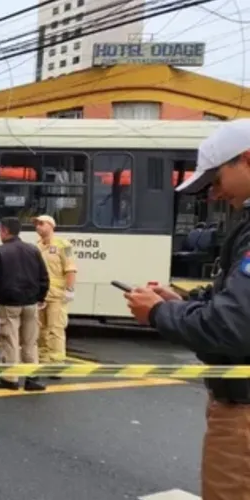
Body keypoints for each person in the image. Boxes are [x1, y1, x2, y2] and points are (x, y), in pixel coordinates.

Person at [124, 119, 250, 500]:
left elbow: (232, 326)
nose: (214, 194)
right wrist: (183, 301)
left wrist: (159, 314)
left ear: (246, 159)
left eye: (216, 180)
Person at [0, 217, 49, 391]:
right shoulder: (33, 250)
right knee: (30, 342)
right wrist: (41, 297)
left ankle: (10, 378)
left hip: (10, 303)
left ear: (4, 231)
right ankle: (32, 378)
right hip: (31, 303)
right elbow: (44, 277)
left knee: (10, 340)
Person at [33, 214, 78, 379]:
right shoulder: (37, 246)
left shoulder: (63, 245)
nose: (38, 226)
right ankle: (44, 360)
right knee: (41, 330)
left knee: (55, 329)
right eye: (36, 224)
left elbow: (70, 269)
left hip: (57, 295)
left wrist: (69, 289)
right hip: (41, 295)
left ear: (51, 226)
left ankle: (56, 365)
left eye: (41, 223)